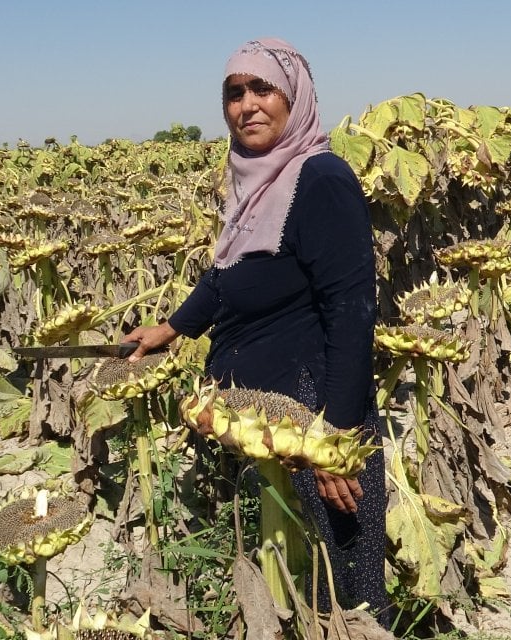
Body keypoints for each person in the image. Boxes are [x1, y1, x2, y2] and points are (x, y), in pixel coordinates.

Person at [122, 38, 390, 626]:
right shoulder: (255, 183)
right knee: (284, 576)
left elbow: (351, 315)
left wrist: (335, 444)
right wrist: (170, 327)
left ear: (295, 96)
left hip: (316, 416)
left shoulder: (319, 178)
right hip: (268, 416)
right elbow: (227, 277)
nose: (247, 105)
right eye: (234, 93)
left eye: (262, 88)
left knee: (342, 594)